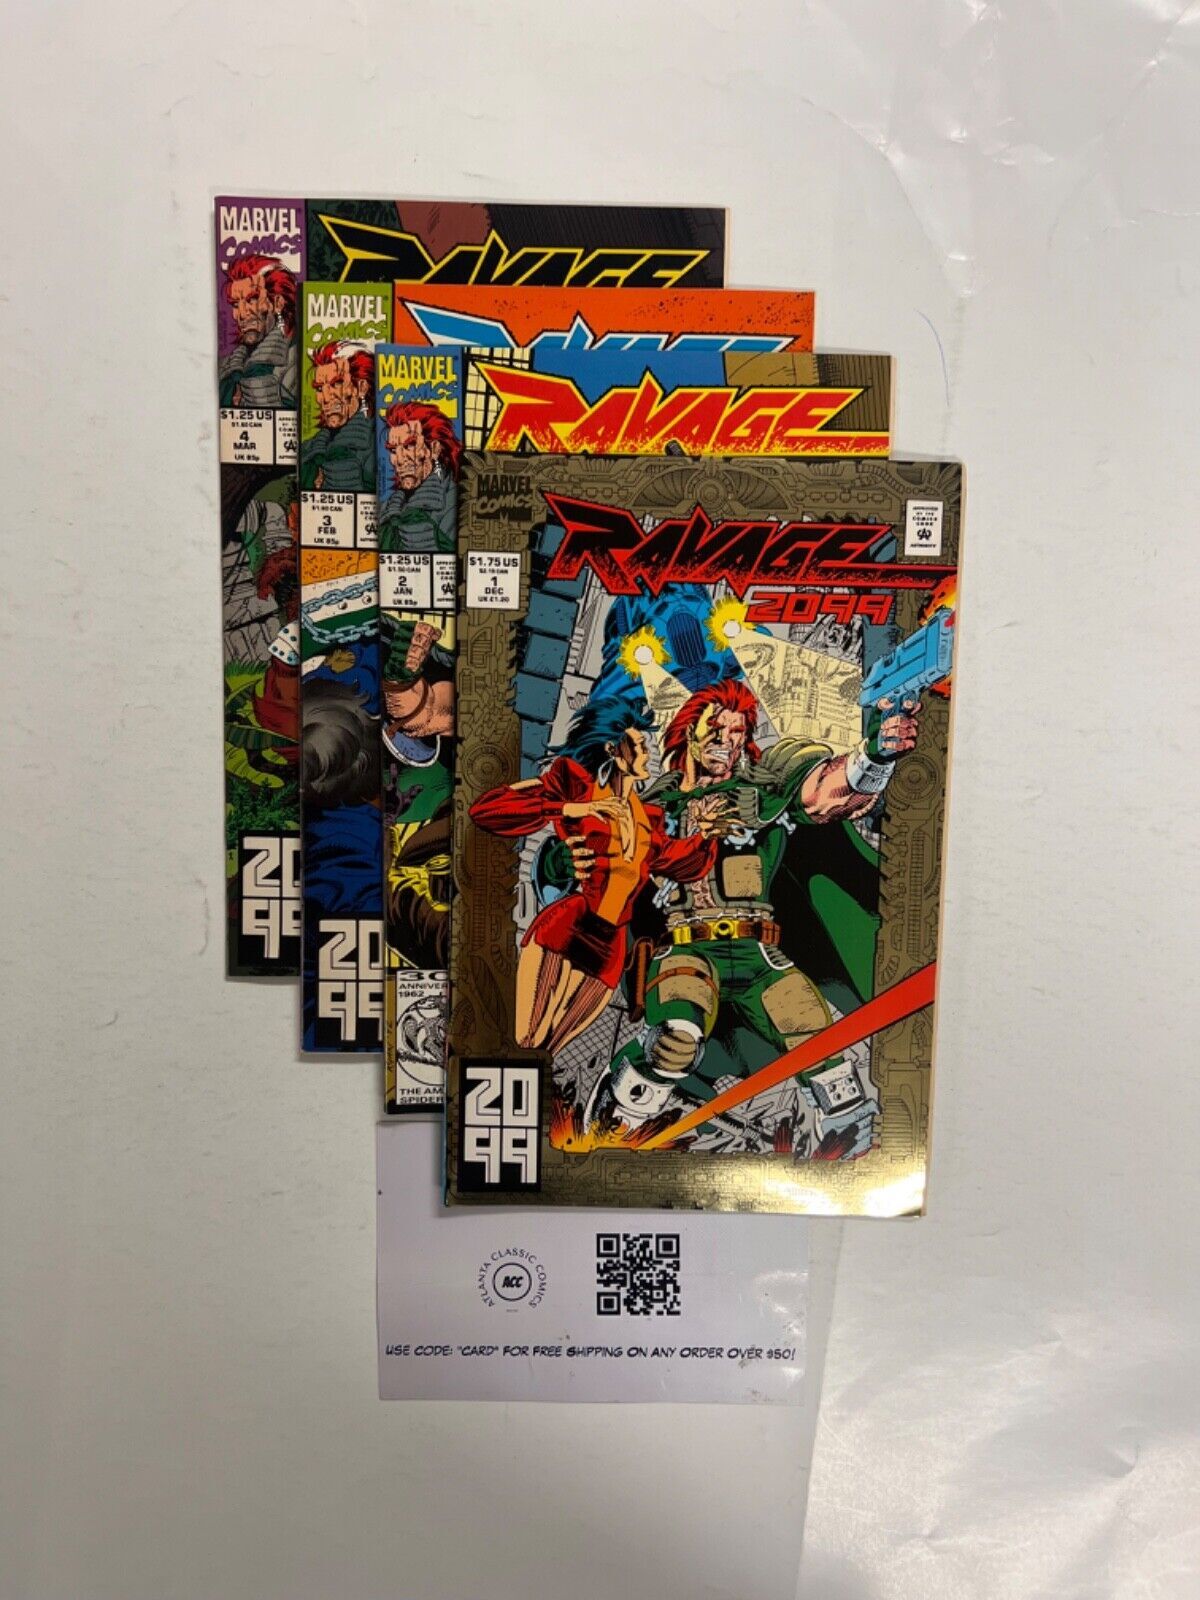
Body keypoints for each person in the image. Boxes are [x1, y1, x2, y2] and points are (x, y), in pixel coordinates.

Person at [470, 700, 731, 1055]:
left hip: (610, 947)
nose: (647, 752)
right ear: (613, 750)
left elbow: (682, 864)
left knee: (550, 1049)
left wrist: (706, 834)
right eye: (639, 744)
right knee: (526, 1038)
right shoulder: (576, 785)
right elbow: (486, 810)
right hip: (567, 928)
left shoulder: (649, 818)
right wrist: (574, 808)